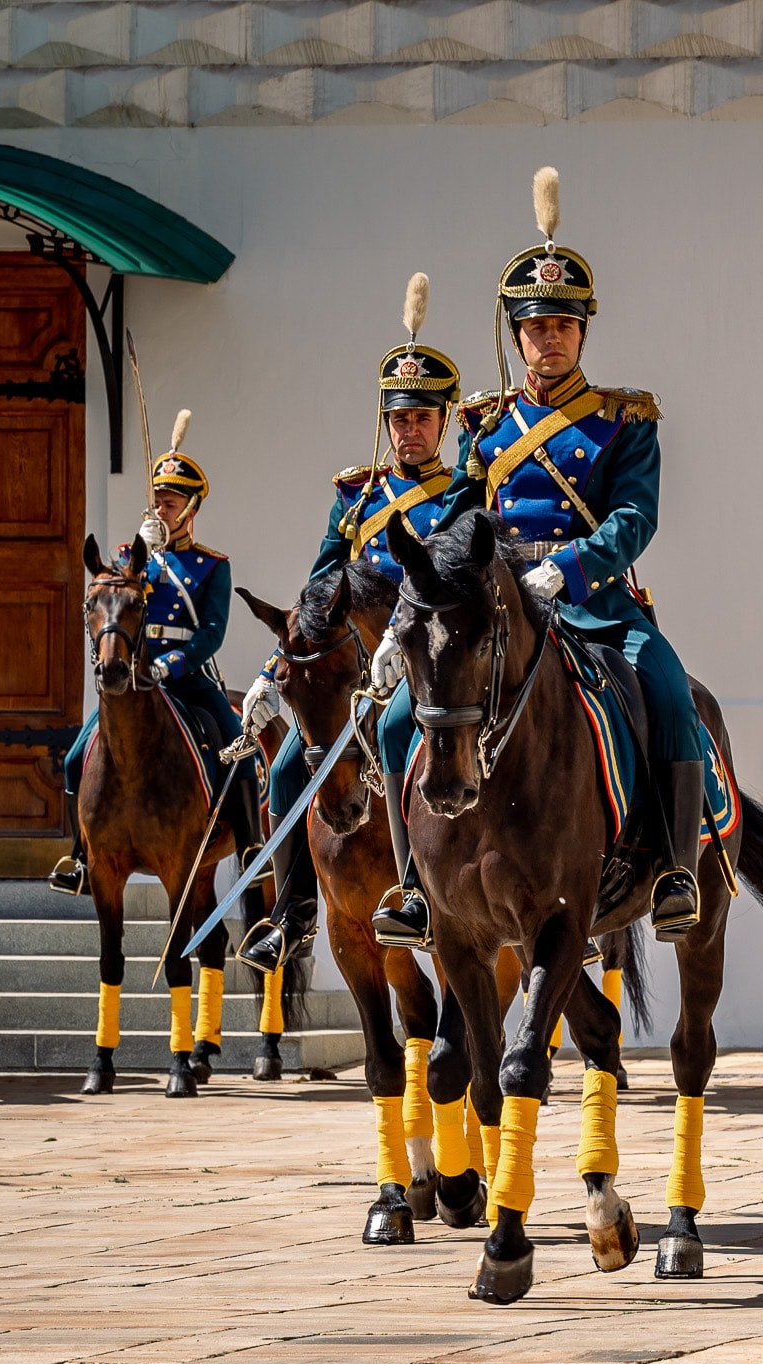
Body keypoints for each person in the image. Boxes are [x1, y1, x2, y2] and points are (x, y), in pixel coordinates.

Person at [454, 169, 688, 937]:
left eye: (562, 325)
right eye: (535, 326)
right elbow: (458, 523)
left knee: (671, 694)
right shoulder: (484, 428)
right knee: (398, 718)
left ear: (583, 330)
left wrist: (572, 567)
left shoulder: (626, 420)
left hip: (594, 605)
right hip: (496, 611)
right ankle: (421, 886)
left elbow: (634, 517)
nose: (548, 338)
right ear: (515, 333)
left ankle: (677, 869)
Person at [237, 284, 460, 971]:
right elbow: (317, 591)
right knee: (281, 766)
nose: (409, 431)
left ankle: (419, 890)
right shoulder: (356, 497)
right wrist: (276, 673)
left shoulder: (458, 495)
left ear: (444, 420)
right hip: (354, 673)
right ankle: (294, 911)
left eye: (422, 417)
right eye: (399, 419)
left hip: (425, 665)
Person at [50, 415, 263, 894]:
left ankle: (251, 846)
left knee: (238, 748)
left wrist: (175, 663)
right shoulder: (134, 556)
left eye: (172, 503)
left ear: (191, 508)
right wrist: (142, 554)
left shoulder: (212, 566)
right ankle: (80, 856)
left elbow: (212, 631)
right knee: (73, 758)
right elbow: (121, 598)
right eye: (158, 502)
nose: (163, 510)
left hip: (187, 676)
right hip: (134, 677)